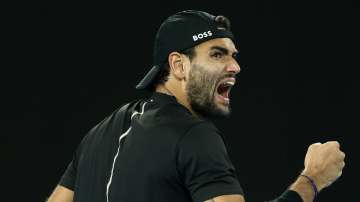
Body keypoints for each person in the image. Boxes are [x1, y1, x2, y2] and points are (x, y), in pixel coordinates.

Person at [47, 10, 345, 202]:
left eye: (233, 55)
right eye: (217, 54)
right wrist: (313, 179)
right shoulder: (192, 135)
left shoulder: (99, 133)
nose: (235, 66)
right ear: (178, 65)